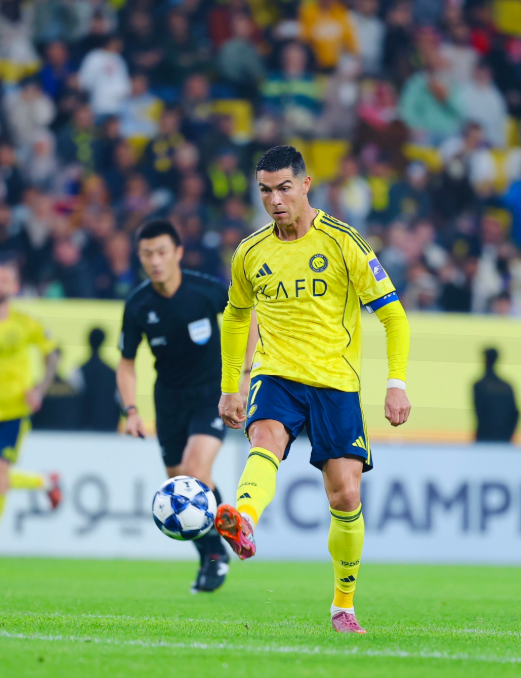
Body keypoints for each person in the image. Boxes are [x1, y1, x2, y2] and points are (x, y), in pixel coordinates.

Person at [215, 145, 411, 634]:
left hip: (335, 382)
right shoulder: (250, 252)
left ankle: (343, 605)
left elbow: (393, 316)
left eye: (284, 188)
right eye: (265, 191)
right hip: (276, 374)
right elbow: (236, 316)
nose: (275, 200)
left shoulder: (344, 242)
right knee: (265, 437)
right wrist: (231, 386)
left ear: (305, 185)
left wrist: (396, 382)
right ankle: (244, 519)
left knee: (345, 495)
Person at [117, 219, 253, 594]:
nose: (155, 261)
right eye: (147, 254)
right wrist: (131, 410)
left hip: (212, 394)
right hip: (169, 400)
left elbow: (248, 314)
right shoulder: (138, 304)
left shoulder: (204, 290)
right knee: (179, 488)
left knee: (194, 474)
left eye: (162, 252)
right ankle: (213, 553)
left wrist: (245, 373)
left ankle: (222, 547)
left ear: (177, 253)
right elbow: (126, 363)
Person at [0, 264, 63, 565]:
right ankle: (46, 481)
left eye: (4, 280)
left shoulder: (26, 323)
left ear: (15, 287)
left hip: (15, 411)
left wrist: (39, 390)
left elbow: (53, 356)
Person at [73, 328, 121, 431]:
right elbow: (119, 403)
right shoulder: (113, 373)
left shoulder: (79, 371)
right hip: (108, 428)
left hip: (84, 429)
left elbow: (74, 403)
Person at [472, 348, 519, 442]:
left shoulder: (479, 385)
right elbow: (515, 414)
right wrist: (508, 435)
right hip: (502, 437)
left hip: (485, 437)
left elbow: (480, 413)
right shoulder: (506, 386)